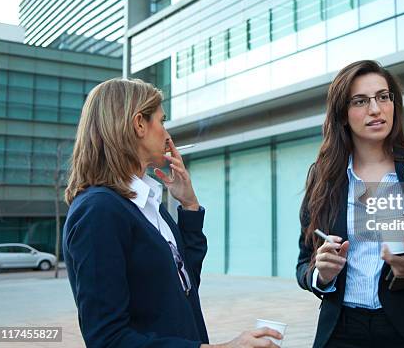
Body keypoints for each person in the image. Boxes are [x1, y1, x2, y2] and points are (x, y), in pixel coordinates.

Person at [63, 78, 282, 348]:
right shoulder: (99, 211)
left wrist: (189, 206)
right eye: (162, 120)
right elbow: (108, 340)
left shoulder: (147, 204)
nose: (168, 136)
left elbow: (183, 286)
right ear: (139, 124)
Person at [296, 60, 404, 348]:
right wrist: (322, 274)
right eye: (360, 101)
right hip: (341, 331)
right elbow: (304, 262)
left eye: (383, 97)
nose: (375, 109)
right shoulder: (324, 178)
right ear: (343, 115)